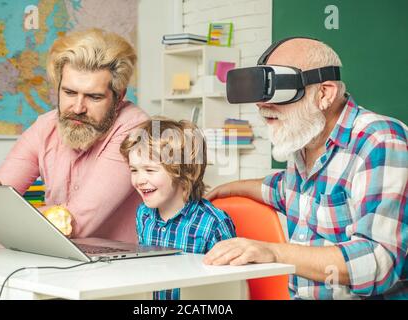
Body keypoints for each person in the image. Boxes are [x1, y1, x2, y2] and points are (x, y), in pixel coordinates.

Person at [204, 38, 407, 300]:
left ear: (324, 93)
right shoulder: (305, 141)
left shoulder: (380, 141)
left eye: (278, 92)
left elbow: (376, 262)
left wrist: (274, 252)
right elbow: (279, 189)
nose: (262, 106)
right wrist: (224, 189)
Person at [0, 28, 149, 242]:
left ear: (119, 97)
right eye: (69, 93)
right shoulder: (44, 127)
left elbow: (74, 224)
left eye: (94, 97)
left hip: (124, 268)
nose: (78, 108)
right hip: (57, 262)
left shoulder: (136, 130)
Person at [120, 117, 236, 300]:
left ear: (184, 171)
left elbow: (228, 290)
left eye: (150, 170)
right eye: (134, 170)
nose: (139, 180)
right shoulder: (144, 214)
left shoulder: (213, 223)